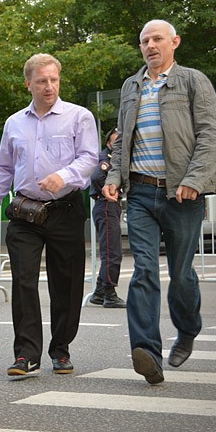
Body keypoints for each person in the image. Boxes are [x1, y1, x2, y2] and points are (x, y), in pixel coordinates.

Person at [102, 19, 216, 385]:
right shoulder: (131, 86)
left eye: (157, 39)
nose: (150, 45)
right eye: (144, 40)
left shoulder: (192, 81)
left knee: (181, 275)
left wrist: (193, 180)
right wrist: (113, 178)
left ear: (174, 42)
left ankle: (187, 330)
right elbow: (122, 138)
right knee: (143, 270)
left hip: (182, 194)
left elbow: (212, 134)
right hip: (140, 192)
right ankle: (147, 353)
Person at [0, 53, 98, 376]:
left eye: (54, 80)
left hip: (65, 209)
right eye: (42, 81)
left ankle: (61, 349)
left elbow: (90, 158)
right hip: (25, 212)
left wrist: (64, 176)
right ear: (28, 83)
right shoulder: (14, 122)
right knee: (24, 281)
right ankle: (26, 354)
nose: (49, 87)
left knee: (67, 282)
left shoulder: (79, 117)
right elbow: (4, 167)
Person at [88, 128, 126, 308]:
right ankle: (109, 293)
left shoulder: (113, 158)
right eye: (115, 141)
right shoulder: (106, 159)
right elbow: (97, 176)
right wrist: (110, 189)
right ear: (109, 144)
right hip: (106, 204)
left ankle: (99, 292)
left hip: (108, 206)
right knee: (112, 252)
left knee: (111, 249)